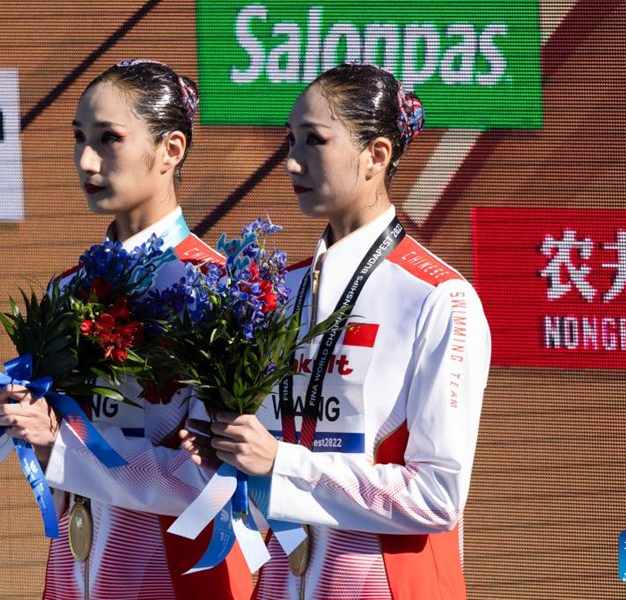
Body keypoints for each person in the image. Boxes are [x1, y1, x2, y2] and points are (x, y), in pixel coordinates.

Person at [180, 63, 491, 599]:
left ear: (377, 156)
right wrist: (228, 455)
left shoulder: (439, 297)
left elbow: (439, 497)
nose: (291, 161)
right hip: (281, 579)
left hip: (384, 584)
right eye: (290, 139)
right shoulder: (279, 290)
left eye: (315, 140)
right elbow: (268, 466)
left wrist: (282, 462)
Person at [0, 59, 252, 600]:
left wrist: (62, 448)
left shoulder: (218, 292)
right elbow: (55, 461)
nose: (86, 160)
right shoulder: (65, 290)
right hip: (74, 572)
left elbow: (217, 482)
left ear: (170, 149)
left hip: (179, 574)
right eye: (80, 138)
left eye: (110, 139)